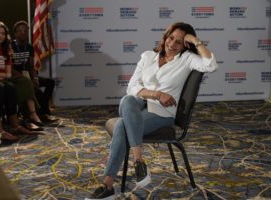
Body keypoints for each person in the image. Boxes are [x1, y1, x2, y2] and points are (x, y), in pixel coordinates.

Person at [85, 22, 219, 200]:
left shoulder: (187, 59)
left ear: (185, 45)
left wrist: (195, 40)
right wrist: (156, 94)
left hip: (162, 113)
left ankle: (108, 185)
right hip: (140, 104)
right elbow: (132, 86)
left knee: (123, 127)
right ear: (165, 36)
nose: (172, 44)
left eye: (179, 42)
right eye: (171, 38)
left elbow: (211, 65)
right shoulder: (148, 56)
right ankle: (139, 160)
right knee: (127, 100)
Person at [0, 21, 41, 137]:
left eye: (2, 33)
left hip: (2, 79)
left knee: (11, 88)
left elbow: (8, 74)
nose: (0, 36)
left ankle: (15, 125)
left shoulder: (6, 50)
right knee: (4, 89)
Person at [11, 20, 58, 124]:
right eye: (19, 31)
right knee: (36, 91)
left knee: (50, 82)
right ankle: (31, 115)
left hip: (27, 75)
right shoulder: (11, 46)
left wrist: (35, 78)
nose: (22, 32)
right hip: (15, 77)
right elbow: (9, 67)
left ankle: (44, 113)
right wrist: (26, 79)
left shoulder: (29, 47)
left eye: (25, 30)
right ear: (15, 33)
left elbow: (31, 66)